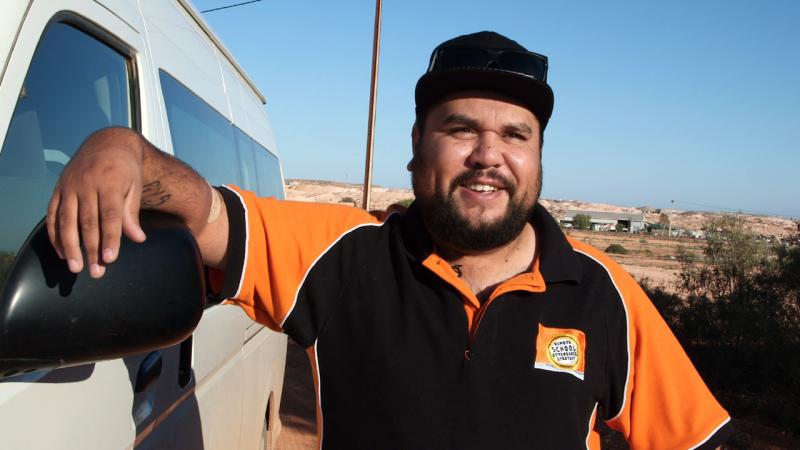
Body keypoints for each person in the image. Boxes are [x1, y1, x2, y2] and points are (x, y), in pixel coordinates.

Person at [47, 31, 732, 449]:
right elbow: (205, 218)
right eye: (461, 129)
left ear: (538, 157)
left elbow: (693, 440)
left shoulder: (607, 296)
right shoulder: (344, 255)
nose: (488, 153)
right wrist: (122, 147)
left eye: (516, 135)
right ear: (418, 146)